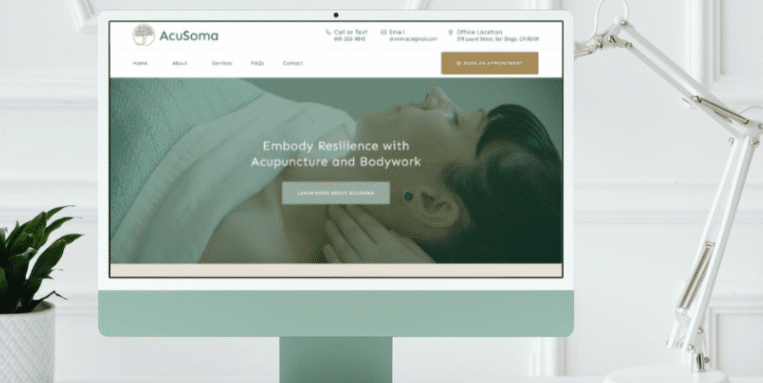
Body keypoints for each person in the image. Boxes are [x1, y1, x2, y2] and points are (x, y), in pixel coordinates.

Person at [200, 87, 561, 265]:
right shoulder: (326, 126)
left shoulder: (244, 249)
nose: (436, 93)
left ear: (431, 203)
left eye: (455, 120)